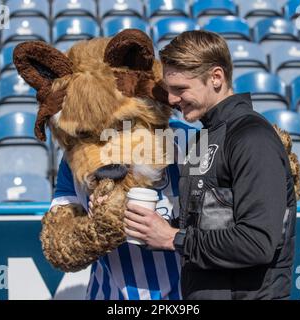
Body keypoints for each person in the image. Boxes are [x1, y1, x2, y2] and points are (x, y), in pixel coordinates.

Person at [124, 30, 298, 300]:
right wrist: (151, 225)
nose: (171, 100)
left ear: (216, 77)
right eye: (169, 90)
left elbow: (258, 242)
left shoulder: (253, 137)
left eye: (180, 89)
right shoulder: (201, 140)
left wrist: (173, 238)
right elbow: (202, 224)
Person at [50, 114, 196, 299]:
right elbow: (60, 244)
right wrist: (96, 228)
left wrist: (172, 237)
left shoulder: (188, 139)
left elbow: (227, 229)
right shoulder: (78, 155)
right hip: (109, 294)